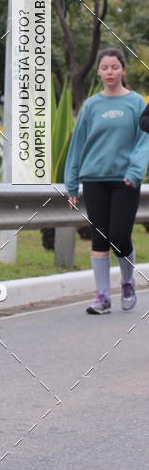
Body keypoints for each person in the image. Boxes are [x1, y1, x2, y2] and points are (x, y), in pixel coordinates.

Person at [65, 47, 149, 315]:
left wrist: (135, 171)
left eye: (114, 67)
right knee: (100, 238)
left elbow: (144, 140)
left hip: (125, 180)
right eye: (105, 68)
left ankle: (127, 281)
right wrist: (71, 183)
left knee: (119, 235)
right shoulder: (91, 105)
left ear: (123, 69)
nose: (109, 72)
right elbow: (78, 144)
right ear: (99, 72)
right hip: (94, 179)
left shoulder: (136, 103)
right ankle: (102, 296)